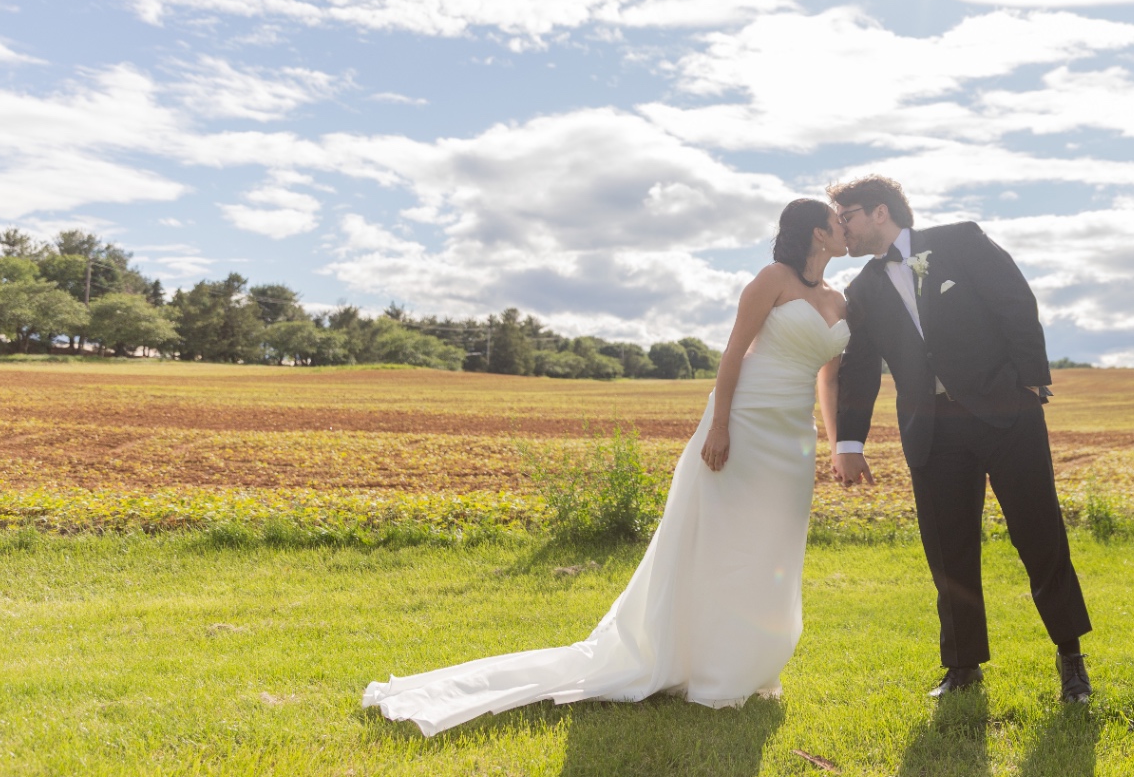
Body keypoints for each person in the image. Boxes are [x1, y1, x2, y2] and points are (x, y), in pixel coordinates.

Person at [363, 199, 850, 736]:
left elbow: (830, 378)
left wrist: (834, 441)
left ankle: (754, 660)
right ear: (816, 233)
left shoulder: (838, 299)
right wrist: (719, 426)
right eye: (837, 220)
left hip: (793, 438)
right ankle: (714, 668)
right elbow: (733, 353)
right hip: (745, 421)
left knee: (774, 544)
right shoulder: (772, 279)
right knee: (724, 542)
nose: (844, 227)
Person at [828, 174, 1092, 702]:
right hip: (931, 430)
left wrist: (1031, 379)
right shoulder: (861, 290)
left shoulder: (960, 240)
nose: (842, 230)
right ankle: (962, 667)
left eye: (847, 217)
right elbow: (858, 370)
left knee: (1040, 536)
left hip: (1005, 412)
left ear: (880, 213)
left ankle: (1071, 659)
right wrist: (849, 443)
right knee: (948, 550)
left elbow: (1015, 301)